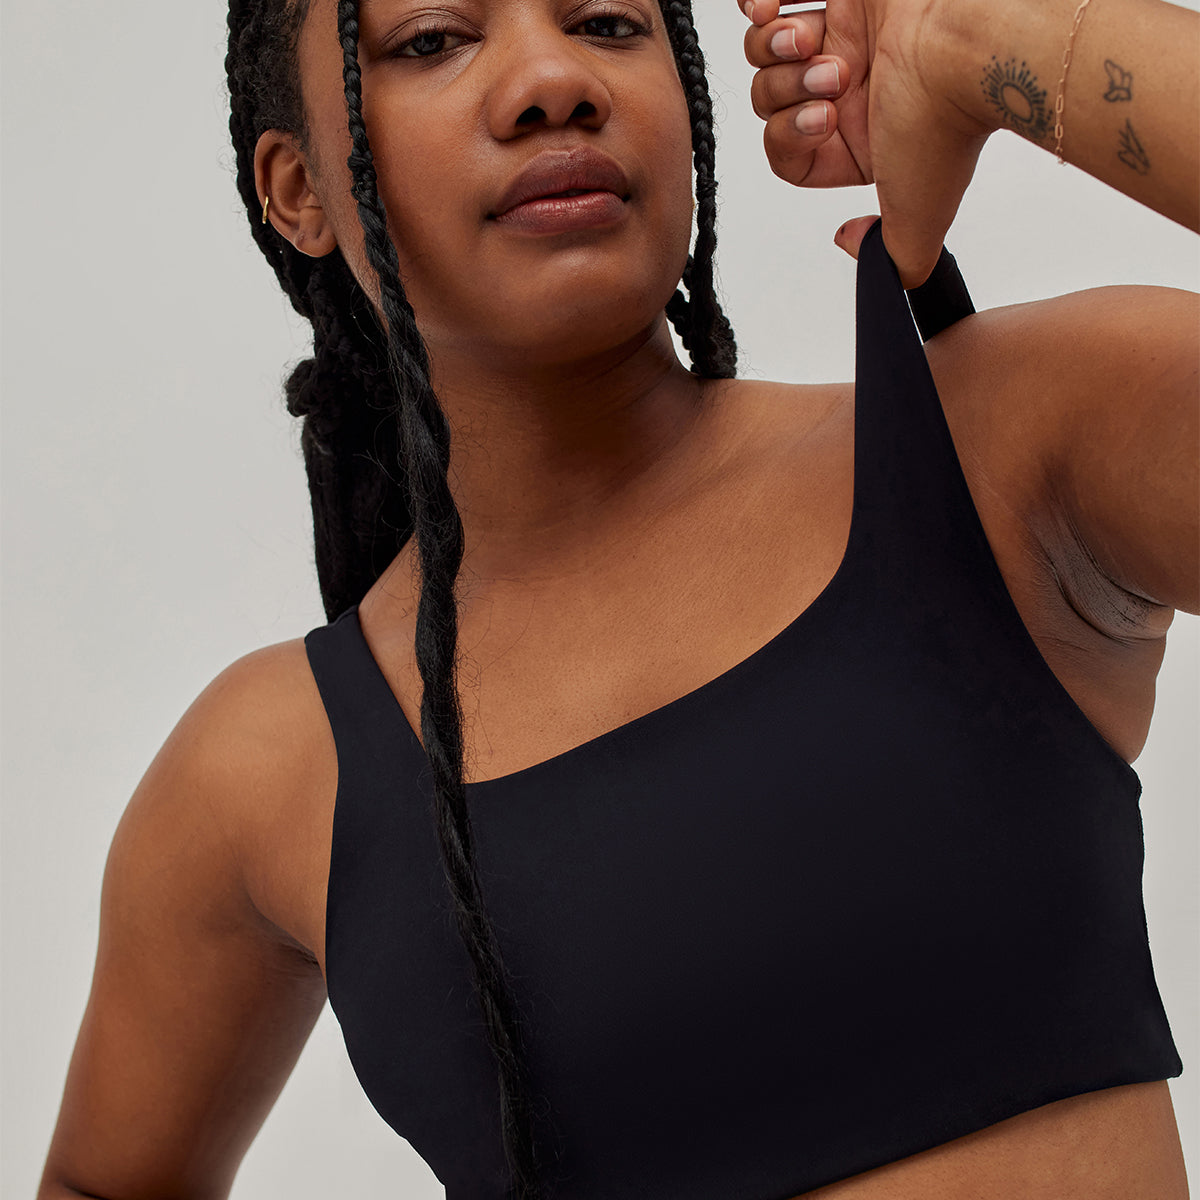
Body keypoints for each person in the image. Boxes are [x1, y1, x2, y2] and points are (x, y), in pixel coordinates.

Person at [37, 0, 1197, 1196]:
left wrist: (987, 37)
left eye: (606, 21)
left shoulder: (1004, 453)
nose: (553, 79)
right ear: (298, 192)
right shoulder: (275, 771)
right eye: (433, 39)